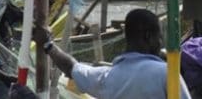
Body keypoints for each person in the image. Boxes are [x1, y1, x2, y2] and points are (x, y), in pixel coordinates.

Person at [34, 8, 191, 99]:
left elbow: (71, 68)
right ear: (148, 36)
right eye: (159, 38)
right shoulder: (166, 72)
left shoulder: (106, 77)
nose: (161, 44)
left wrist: (48, 45)